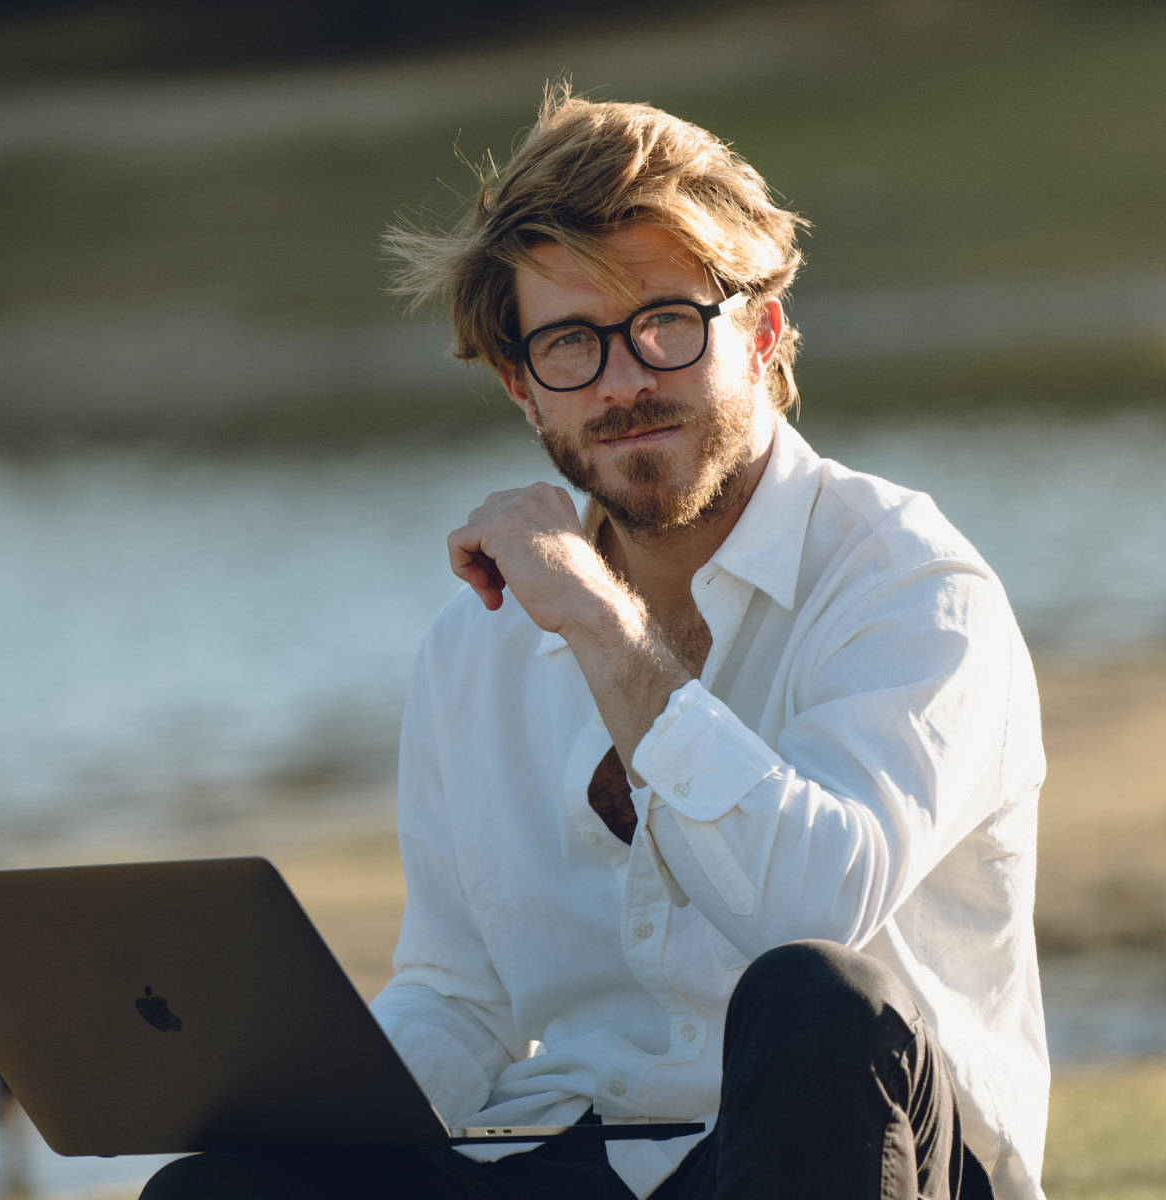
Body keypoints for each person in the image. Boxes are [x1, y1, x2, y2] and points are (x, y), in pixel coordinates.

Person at [141, 86, 1049, 1200]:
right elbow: (457, 998)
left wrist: (599, 623)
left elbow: (814, 910)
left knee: (819, 1000)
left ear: (760, 333)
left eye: (667, 322)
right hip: (589, 1158)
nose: (625, 382)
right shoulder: (471, 647)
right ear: (524, 389)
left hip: (870, 1152)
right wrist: (304, 1117)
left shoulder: (911, 585)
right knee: (217, 1190)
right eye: (571, 344)